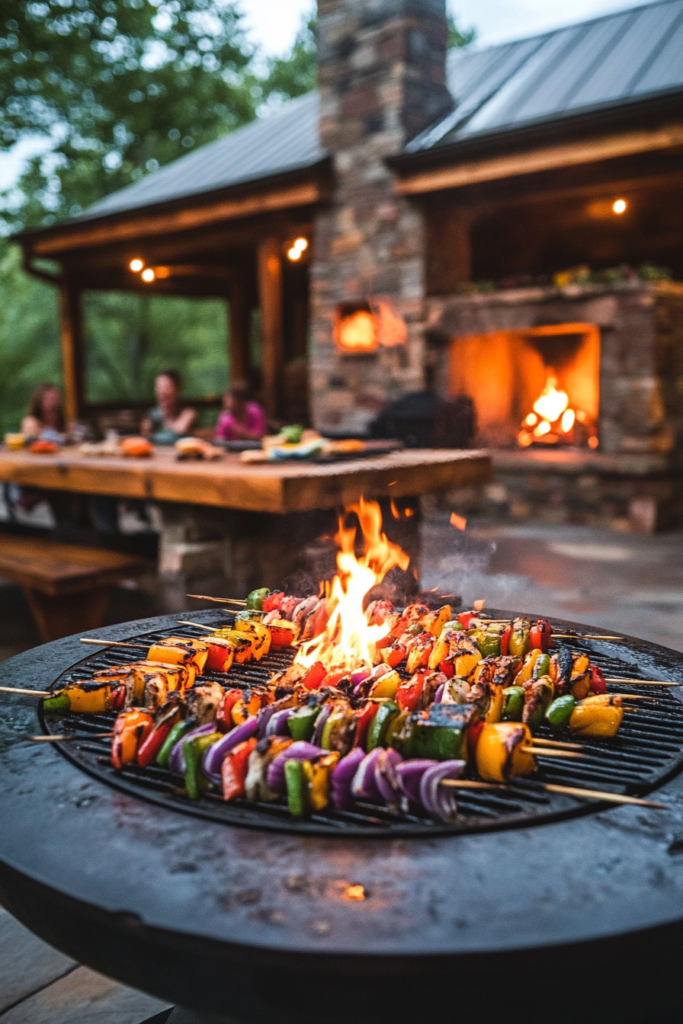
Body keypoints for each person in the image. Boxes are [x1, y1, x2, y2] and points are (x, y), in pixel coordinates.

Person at [141, 369, 195, 445]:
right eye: (159, 387)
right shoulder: (152, 414)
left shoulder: (187, 412)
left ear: (177, 390)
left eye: (166, 387)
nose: (162, 391)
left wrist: (164, 415)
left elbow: (180, 430)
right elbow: (145, 438)